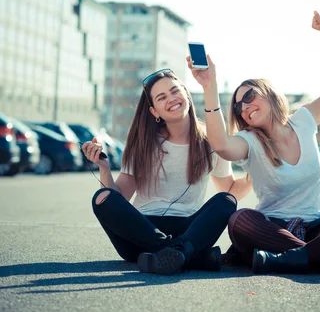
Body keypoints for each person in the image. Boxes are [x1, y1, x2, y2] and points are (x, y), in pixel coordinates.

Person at [188, 11, 320, 277]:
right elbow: (222, 145)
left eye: (249, 95)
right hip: (273, 229)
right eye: (239, 106)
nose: (244, 106)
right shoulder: (249, 140)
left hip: (319, 226)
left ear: (269, 93)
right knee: (240, 220)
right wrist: (209, 88)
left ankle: (292, 259)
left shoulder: (303, 121)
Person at [82, 68, 252, 276]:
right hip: (141, 232)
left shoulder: (211, 141)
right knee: (103, 198)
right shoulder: (142, 144)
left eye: (175, 91)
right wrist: (104, 168)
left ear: (186, 94)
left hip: (189, 230)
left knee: (226, 200)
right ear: (154, 111)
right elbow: (120, 197)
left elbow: (230, 189)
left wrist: (259, 166)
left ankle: (174, 253)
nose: (171, 99)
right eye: (161, 98)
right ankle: (184, 254)